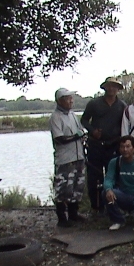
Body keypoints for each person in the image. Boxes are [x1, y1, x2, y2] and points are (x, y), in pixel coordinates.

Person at [81, 77, 126, 214]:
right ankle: (96, 208)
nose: (111, 88)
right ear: (105, 87)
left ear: (118, 89)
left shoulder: (122, 106)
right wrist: (92, 131)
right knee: (94, 177)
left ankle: (114, 207)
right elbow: (84, 120)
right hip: (95, 146)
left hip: (113, 146)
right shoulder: (94, 104)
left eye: (114, 86)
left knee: (114, 177)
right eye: (109, 86)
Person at [49, 88, 86, 227]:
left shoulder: (72, 115)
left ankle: (73, 214)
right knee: (62, 188)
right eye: (68, 98)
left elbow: (80, 130)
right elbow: (59, 139)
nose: (71, 101)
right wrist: (75, 136)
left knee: (77, 186)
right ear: (60, 100)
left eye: (71, 98)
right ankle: (61, 218)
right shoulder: (55, 117)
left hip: (78, 156)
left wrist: (82, 135)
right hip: (65, 159)